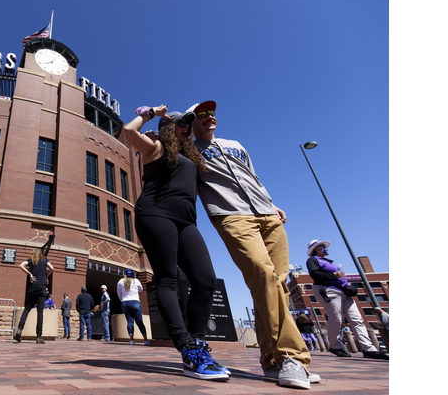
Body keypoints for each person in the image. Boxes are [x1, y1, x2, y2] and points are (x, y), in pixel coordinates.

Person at [188, 100, 317, 389]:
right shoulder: (189, 151)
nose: (209, 117)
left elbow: (253, 177)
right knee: (262, 273)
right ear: (191, 122)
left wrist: (272, 203)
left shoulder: (236, 144)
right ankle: (292, 357)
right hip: (231, 215)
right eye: (201, 115)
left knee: (275, 285)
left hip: (267, 213)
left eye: (211, 113)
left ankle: (271, 361)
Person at [124, 105, 229, 381]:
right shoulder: (155, 148)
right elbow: (127, 131)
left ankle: (197, 343)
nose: (186, 128)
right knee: (167, 279)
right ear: (169, 129)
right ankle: (187, 348)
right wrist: (152, 113)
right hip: (155, 214)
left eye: (188, 125)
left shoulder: (192, 157)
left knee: (206, 280)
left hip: (186, 222)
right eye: (181, 123)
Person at [306, 240, 388, 360]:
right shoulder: (313, 260)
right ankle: (335, 346)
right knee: (336, 318)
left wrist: (347, 287)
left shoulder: (330, 262)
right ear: (315, 249)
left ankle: (369, 349)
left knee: (356, 318)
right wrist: (334, 276)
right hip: (328, 290)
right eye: (322, 247)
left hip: (343, 291)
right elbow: (314, 274)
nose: (325, 248)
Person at [14, 247, 54, 344]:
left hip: (33, 287)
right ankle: (39, 337)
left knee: (27, 309)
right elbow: (52, 268)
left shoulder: (31, 260)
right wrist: (45, 276)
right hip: (42, 288)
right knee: (40, 312)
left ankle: (19, 330)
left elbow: (21, 265)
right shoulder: (45, 260)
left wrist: (29, 274)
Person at [116, 269, 149, 346]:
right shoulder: (136, 281)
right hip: (135, 302)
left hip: (125, 302)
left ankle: (131, 340)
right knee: (139, 321)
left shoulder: (121, 281)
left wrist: (122, 301)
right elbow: (141, 289)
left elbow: (119, 293)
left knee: (130, 322)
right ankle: (145, 340)